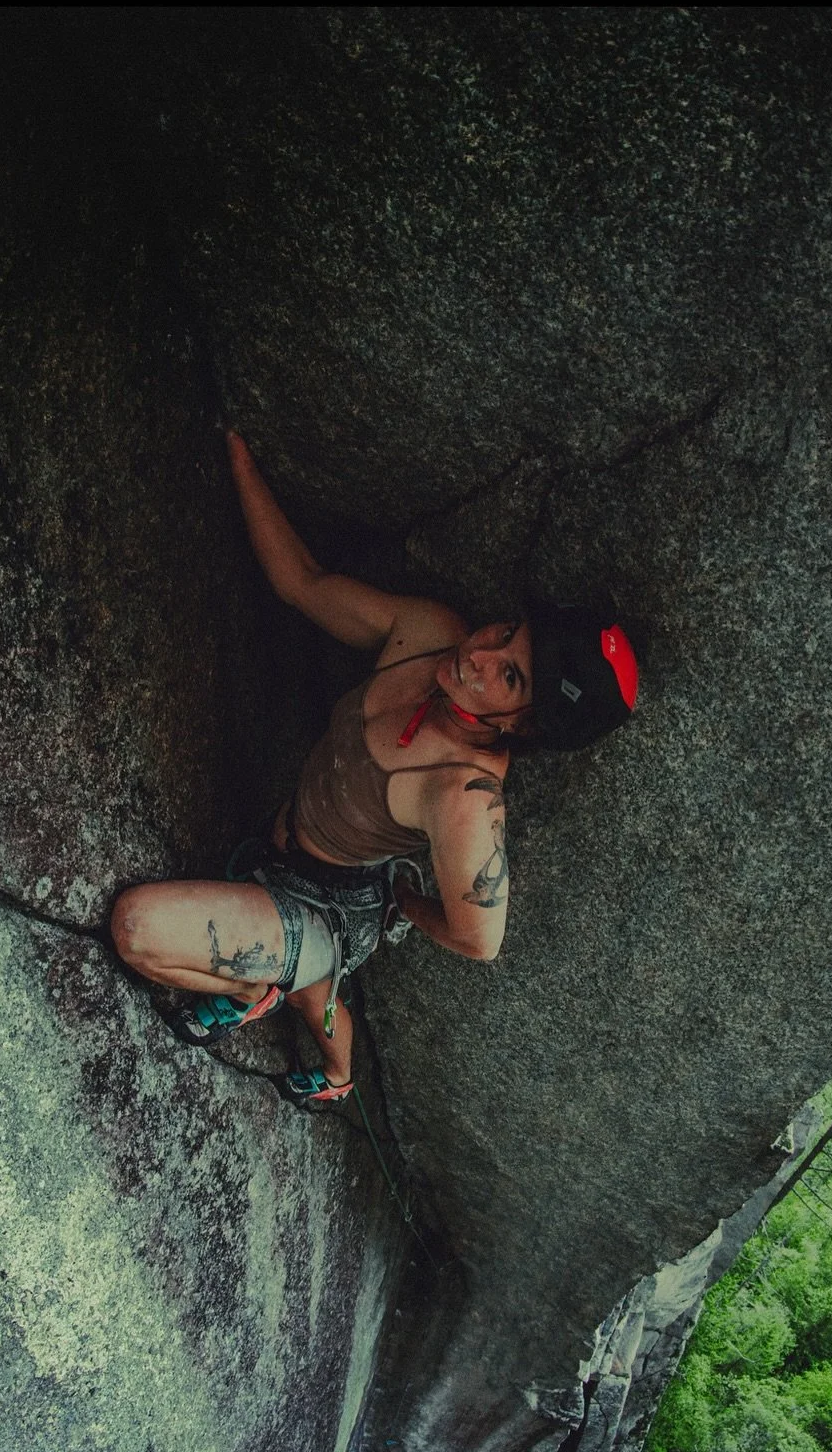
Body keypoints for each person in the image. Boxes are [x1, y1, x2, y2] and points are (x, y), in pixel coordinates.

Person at [111, 431, 639, 1111]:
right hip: (284, 852)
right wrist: (237, 450)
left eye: (509, 675)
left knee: (136, 929)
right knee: (307, 989)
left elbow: (481, 939)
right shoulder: (428, 633)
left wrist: (407, 904)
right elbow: (302, 584)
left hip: (327, 910)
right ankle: (326, 1049)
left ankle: (257, 997)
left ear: (525, 725)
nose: (480, 654)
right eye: (505, 632)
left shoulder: (465, 795)